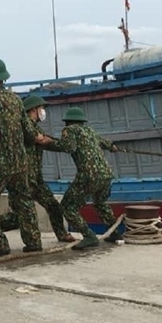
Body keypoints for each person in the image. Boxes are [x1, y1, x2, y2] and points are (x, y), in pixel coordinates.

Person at [0, 58, 46, 257]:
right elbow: (29, 132)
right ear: (3, 78)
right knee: (24, 201)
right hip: (20, 162)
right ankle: (33, 242)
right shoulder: (15, 100)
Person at [0, 95, 76, 242]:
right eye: (42, 108)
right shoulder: (22, 127)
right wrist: (45, 140)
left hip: (36, 179)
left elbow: (48, 142)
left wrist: (68, 146)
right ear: (34, 109)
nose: (43, 111)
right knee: (18, 217)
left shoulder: (36, 128)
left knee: (53, 206)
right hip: (22, 178)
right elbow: (41, 139)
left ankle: (62, 234)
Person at [50, 106, 122, 249]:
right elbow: (106, 143)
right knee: (100, 203)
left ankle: (88, 235)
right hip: (106, 175)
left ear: (68, 122)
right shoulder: (90, 131)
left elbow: (69, 147)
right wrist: (113, 147)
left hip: (88, 176)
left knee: (67, 206)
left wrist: (48, 143)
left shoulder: (69, 130)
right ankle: (115, 233)